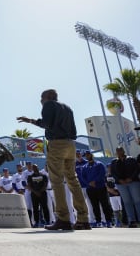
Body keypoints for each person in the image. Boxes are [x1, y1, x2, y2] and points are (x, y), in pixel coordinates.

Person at [17, 89, 91, 230]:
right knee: (73, 181)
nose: (40, 100)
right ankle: (83, 219)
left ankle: (63, 219)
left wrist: (31, 121)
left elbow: (46, 124)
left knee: (56, 180)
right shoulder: (67, 108)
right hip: (70, 145)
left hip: (57, 144)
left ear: (49, 97)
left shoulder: (49, 105)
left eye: (42, 97)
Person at [110, 146, 140, 228]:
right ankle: (132, 220)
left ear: (123, 151)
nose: (119, 152)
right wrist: (119, 180)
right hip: (121, 184)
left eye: (120, 150)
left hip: (133, 182)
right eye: (118, 151)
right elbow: (113, 173)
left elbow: (137, 169)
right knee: (127, 202)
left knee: (137, 201)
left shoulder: (131, 159)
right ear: (116, 152)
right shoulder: (114, 162)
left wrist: (131, 178)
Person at [81, 151, 113, 228]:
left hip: (100, 187)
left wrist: (95, 181)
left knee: (105, 205)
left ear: (92, 155)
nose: (87, 156)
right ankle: (98, 221)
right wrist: (89, 183)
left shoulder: (99, 164)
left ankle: (108, 221)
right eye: (86, 155)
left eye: (88, 154)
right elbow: (83, 177)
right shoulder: (84, 167)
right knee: (94, 206)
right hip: (90, 189)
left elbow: (102, 174)